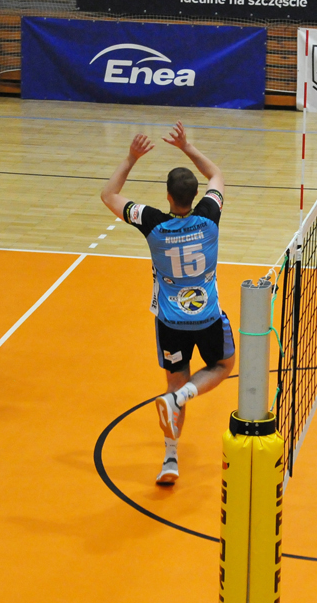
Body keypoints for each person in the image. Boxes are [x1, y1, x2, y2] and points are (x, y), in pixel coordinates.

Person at [100, 122, 234, 486]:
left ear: (168, 196)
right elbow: (217, 175)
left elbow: (109, 195)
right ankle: (186, 395)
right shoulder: (209, 217)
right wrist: (187, 146)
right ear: (195, 195)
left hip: (171, 323)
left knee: (174, 386)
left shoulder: (153, 223)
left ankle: (170, 459)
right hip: (207, 316)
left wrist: (131, 158)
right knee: (224, 364)